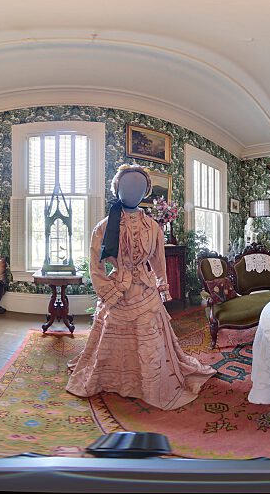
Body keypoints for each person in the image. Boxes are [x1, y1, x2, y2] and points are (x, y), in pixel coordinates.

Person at [66, 164, 214, 410]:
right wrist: (109, 293)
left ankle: (147, 381)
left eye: (138, 186)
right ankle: (113, 378)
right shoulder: (103, 227)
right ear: (117, 188)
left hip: (145, 292)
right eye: (126, 185)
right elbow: (95, 266)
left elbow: (158, 260)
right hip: (117, 292)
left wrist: (161, 285)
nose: (132, 190)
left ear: (145, 191)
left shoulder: (153, 227)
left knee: (149, 336)